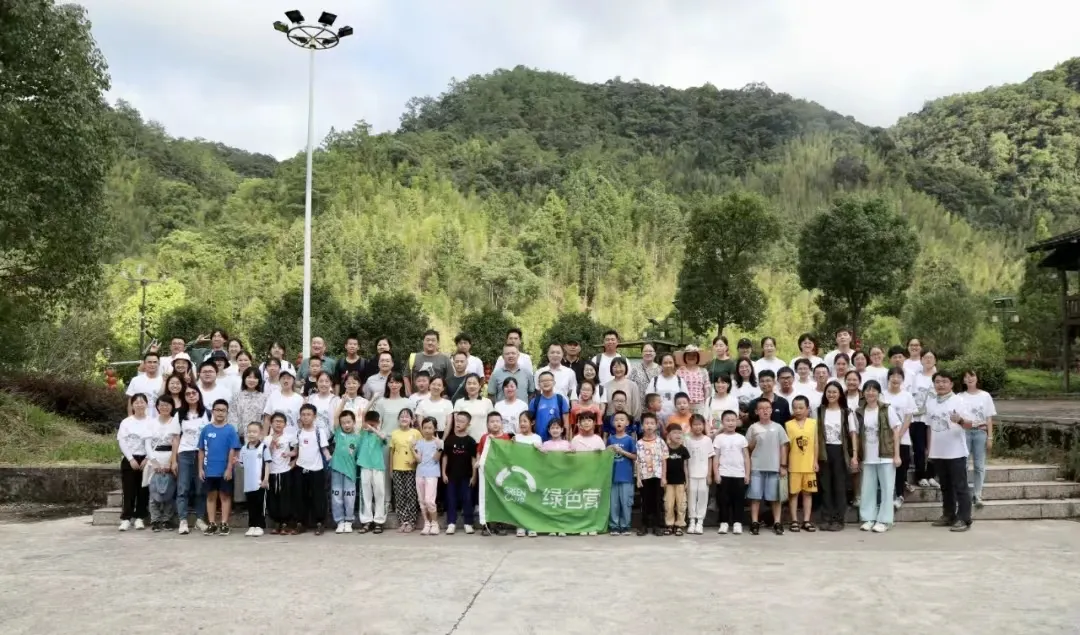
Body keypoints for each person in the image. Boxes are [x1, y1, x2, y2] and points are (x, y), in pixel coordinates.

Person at [926, 372, 974, 532]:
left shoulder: (959, 400)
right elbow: (929, 427)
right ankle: (948, 514)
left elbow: (970, 424)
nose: (940, 385)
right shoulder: (931, 402)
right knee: (945, 486)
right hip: (938, 452)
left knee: (960, 486)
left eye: (944, 382)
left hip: (956, 452)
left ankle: (964, 518)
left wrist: (959, 420)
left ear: (951, 384)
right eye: (937, 382)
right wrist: (929, 449)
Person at [855, 381, 902, 533]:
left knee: (887, 488)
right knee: (867, 488)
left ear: (879, 393)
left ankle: (884, 520)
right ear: (863, 393)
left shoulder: (887, 409)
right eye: (867, 390)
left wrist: (897, 455)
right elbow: (855, 433)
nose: (870, 393)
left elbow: (896, 432)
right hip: (867, 456)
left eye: (874, 390)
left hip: (885, 455)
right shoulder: (859, 411)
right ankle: (869, 518)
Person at [197, 399, 241, 535]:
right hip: (209, 469)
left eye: (223, 410)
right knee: (211, 497)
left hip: (224, 470)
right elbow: (201, 450)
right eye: (217, 410)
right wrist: (200, 469)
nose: (220, 413)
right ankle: (211, 523)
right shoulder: (206, 429)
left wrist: (229, 468)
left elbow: (233, 450)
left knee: (225, 496)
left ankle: (224, 523)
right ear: (213, 411)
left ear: (227, 413)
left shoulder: (230, 430)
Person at [746, 399, 790, 535]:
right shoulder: (753, 428)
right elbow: (748, 448)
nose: (765, 410)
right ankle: (754, 522)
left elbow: (784, 446)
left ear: (771, 410)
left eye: (767, 408)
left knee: (775, 498)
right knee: (755, 497)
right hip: (756, 467)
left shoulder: (778, 427)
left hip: (774, 467)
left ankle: (777, 522)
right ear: (756, 411)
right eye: (761, 408)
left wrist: (783, 465)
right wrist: (754, 440)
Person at [816, 381, 854, 531]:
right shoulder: (819, 411)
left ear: (840, 395)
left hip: (840, 451)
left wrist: (855, 455)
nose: (831, 395)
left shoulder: (846, 412)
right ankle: (826, 518)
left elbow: (853, 434)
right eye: (829, 392)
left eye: (834, 392)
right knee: (825, 487)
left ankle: (839, 519)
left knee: (839, 486)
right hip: (824, 451)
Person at [958, 369, 997, 508]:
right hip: (965, 433)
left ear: (977, 378)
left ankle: (977, 494)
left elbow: (989, 418)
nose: (969, 378)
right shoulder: (959, 396)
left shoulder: (985, 396)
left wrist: (990, 437)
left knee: (979, 465)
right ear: (963, 380)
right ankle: (964, 494)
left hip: (981, 433)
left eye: (972, 376)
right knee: (963, 464)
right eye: (966, 376)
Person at [174, 385, 209, 535]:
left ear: (199, 394)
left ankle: (200, 519)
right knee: (183, 488)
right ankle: (183, 520)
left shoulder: (207, 413)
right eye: (188, 394)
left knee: (201, 488)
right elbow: (176, 437)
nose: (191, 395)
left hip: (202, 454)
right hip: (185, 453)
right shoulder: (180, 414)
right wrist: (173, 460)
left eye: (194, 393)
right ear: (184, 397)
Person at [881, 368, 916, 510]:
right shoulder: (882, 395)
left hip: (903, 438)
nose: (895, 379)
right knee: (887, 468)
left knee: (901, 467)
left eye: (898, 376)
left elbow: (908, 417)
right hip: (885, 439)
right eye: (893, 376)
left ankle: (900, 495)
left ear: (902, 379)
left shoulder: (907, 396)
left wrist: (899, 434)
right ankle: (887, 496)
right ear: (888, 378)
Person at [144, 397, 180, 532]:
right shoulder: (151, 423)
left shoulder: (175, 422)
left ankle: (167, 519)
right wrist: (153, 461)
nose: (164, 407)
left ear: (172, 406)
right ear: (157, 406)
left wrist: (172, 461)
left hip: (170, 457)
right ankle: (155, 519)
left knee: (169, 490)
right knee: (153, 491)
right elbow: (147, 443)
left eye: (167, 405)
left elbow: (176, 441)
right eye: (162, 405)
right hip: (154, 457)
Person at [295, 404, 331, 535]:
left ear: (314, 416)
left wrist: (329, 458)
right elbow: (296, 450)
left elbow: (324, 449)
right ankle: (301, 523)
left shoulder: (318, 431)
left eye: (308, 414)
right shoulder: (298, 432)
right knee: (300, 496)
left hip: (317, 468)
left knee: (318, 496)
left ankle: (320, 522)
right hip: (301, 468)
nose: (306, 417)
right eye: (303, 414)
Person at [117, 394, 151, 531]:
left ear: (146, 404)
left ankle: (140, 517)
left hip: (146, 459)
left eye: (142, 402)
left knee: (143, 490)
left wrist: (148, 458)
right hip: (129, 459)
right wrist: (130, 458)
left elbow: (154, 441)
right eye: (136, 402)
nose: (139, 404)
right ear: (132, 405)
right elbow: (122, 441)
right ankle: (126, 518)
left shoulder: (152, 422)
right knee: (129, 489)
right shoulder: (126, 422)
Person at [785, 396, 819, 533]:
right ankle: (794, 520)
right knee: (793, 494)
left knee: (808, 493)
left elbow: (816, 443)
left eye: (801, 408)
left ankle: (806, 520)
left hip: (809, 465)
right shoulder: (788, 424)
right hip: (794, 465)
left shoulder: (813, 423)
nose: (798, 410)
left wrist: (815, 461)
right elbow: (786, 446)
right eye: (795, 408)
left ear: (807, 409)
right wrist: (784, 463)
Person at [713, 410, 749, 535]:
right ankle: (724, 523)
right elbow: (716, 457)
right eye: (727, 420)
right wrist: (716, 474)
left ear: (737, 422)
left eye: (733, 420)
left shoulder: (741, 438)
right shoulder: (719, 438)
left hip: (739, 474)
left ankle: (737, 522)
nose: (730, 423)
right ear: (722, 422)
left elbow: (746, 457)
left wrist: (747, 474)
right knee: (723, 500)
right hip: (724, 473)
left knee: (738, 500)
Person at [442, 411, 478, 535]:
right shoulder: (449, 440)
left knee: (467, 498)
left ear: (468, 424)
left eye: (462, 421)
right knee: (451, 499)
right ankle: (451, 523)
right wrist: (444, 473)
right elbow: (445, 457)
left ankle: (468, 523)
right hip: (451, 475)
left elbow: (474, 459)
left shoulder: (471, 441)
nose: (458, 423)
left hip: (466, 475)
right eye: (457, 420)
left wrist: (474, 476)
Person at [907, 350, 939, 488]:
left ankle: (932, 475)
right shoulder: (915, 377)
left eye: (931, 357)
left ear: (935, 360)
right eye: (926, 357)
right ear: (921, 360)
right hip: (918, 417)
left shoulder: (939, 378)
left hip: (934, 417)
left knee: (933, 446)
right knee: (919, 447)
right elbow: (910, 395)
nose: (928, 360)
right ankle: (920, 476)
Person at [355, 410, 388, 534]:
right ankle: (366, 521)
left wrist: (374, 429)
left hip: (378, 466)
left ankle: (379, 521)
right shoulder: (362, 433)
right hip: (365, 465)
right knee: (366, 494)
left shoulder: (380, 433)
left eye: (374, 424)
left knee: (379, 493)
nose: (371, 426)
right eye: (369, 424)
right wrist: (366, 427)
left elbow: (384, 438)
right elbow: (363, 415)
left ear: (378, 423)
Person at [265, 412, 298, 535]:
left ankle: (285, 523)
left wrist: (290, 455)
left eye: (281, 421)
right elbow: (264, 456)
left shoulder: (289, 437)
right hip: (271, 472)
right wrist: (271, 446)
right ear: (271, 423)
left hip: (285, 471)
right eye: (276, 421)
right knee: (273, 497)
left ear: (285, 424)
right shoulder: (267, 439)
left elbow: (296, 451)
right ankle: (276, 522)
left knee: (286, 497)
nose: (278, 423)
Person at [389, 408, 421, 533]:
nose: (404, 418)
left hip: (411, 469)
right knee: (399, 495)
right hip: (397, 469)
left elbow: (420, 450)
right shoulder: (394, 433)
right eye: (401, 416)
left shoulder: (416, 433)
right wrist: (391, 469)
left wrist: (415, 461)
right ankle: (403, 521)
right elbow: (391, 452)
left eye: (407, 416)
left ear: (412, 420)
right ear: (398, 419)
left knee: (411, 495)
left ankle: (412, 522)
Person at [328, 410, 361, 534]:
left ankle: (348, 521)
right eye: (343, 423)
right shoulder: (338, 434)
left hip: (350, 472)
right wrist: (343, 401)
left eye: (349, 422)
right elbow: (336, 416)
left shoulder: (358, 437)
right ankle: (340, 521)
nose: (346, 425)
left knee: (349, 498)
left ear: (353, 422)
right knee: (337, 496)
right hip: (336, 469)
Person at [635, 413, 668, 536]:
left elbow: (664, 459)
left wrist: (664, 477)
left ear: (656, 426)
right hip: (644, 476)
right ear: (642, 426)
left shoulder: (660, 442)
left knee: (657, 501)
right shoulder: (639, 443)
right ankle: (644, 525)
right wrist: (638, 477)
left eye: (652, 423)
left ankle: (657, 525)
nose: (649, 426)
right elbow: (637, 461)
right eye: (646, 423)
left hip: (657, 476)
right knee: (645, 502)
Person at [606, 411, 638, 536]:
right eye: (616, 420)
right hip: (613, 477)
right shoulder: (610, 439)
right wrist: (608, 450)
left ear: (627, 423)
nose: (619, 422)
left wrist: (622, 451)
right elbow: (606, 456)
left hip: (626, 477)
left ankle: (625, 526)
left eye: (622, 419)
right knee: (613, 503)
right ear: (613, 423)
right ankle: (614, 525)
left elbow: (635, 456)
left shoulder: (630, 440)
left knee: (626, 503)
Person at [684, 414, 714, 534]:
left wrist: (709, 475)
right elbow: (685, 461)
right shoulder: (687, 440)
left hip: (703, 474)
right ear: (691, 426)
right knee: (691, 498)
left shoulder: (707, 440)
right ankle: (691, 521)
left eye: (700, 424)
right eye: (695, 425)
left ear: (704, 425)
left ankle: (700, 522)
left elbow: (710, 458)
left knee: (702, 497)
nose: (698, 427)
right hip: (691, 474)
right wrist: (686, 476)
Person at [238, 422, 269, 537]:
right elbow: (241, 464)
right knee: (250, 505)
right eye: (249, 432)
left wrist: (265, 479)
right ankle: (252, 525)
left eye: (255, 432)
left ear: (260, 434)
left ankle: (259, 526)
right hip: (248, 484)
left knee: (259, 505)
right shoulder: (243, 449)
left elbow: (267, 464)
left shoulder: (263, 447)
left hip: (259, 483)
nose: (252, 434)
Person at [413, 417, 443, 535]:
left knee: (429, 500)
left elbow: (436, 459)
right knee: (421, 500)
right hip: (420, 473)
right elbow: (419, 459)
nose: (427, 430)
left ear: (435, 428)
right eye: (425, 428)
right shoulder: (419, 442)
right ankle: (426, 523)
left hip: (432, 473)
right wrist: (412, 448)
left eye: (430, 428)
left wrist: (439, 448)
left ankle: (435, 524)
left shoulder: (439, 442)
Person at [663, 423, 690, 536]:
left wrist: (687, 481)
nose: (677, 435)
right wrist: (663, 478)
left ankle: (679, 525)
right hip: (668, 482)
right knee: (669, 504)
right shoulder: (665, 449)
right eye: (674, 433)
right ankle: (669, 524)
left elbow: (685, 466)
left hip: (680, 482)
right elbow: (663, 465)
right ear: (668, 435)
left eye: (679, 432)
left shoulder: (683, 449)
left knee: (681, 504)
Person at [529, 371, 571, 441]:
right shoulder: (535, 401)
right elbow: (530, 422)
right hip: (538, 440)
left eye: (548, 380)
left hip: (557, 441)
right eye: (542, 381)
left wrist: (566, 438)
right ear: (539, 384)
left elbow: (566, 422)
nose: (546, 383)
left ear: (554, 383)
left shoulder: (560, 399)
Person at [453, 374, 494, 440]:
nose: (471, 386)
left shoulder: (487, 402)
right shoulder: (459, 402)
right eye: (469, 383)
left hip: (483, 440)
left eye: (474, 383)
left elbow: (491, 422)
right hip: (464, 441)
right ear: (465, 386)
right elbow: (456, 425)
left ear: (479, 386)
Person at [675, 345, 711, 417]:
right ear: (684, 357)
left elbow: (707, 389)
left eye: (694, 355)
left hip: (700, 405)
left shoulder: (703, 371)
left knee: (698, 426)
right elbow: (676, 389)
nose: (691, 357)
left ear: (698, 357)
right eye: (689, 355)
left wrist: (706, 404)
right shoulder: (679, 371)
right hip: (684, 406)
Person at [228, 367, 266, 435]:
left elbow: (265, 419)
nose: (252, 380)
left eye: (255, 378)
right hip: (239, 437)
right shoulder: (236, 397)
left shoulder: (263, 398)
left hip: (258, 437)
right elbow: (232, 417)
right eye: (249, 377)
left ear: (259, 380)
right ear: (244, 379)